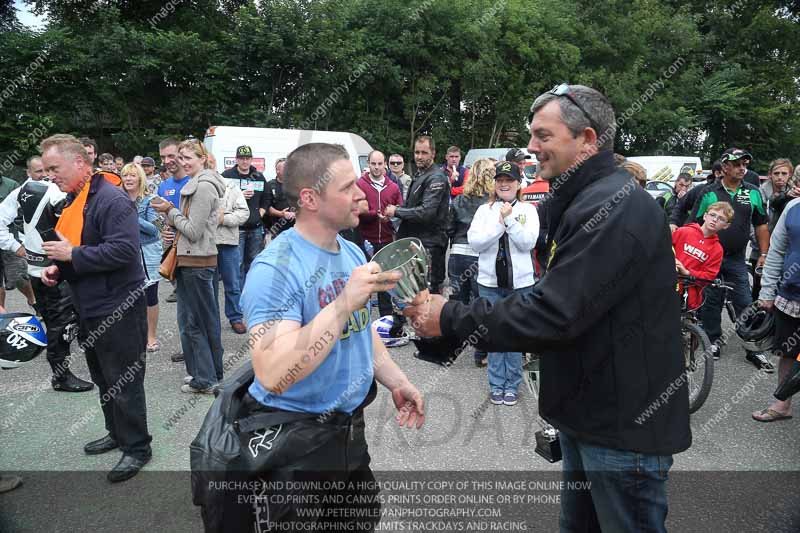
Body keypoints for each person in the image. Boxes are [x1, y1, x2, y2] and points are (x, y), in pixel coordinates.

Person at [405, 84, 690, 532]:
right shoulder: (585, 197)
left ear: (588, 139)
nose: (531, 147)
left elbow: (555, 312)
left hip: (621, 428)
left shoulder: (615, 207)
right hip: (590, 415)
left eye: (543, 135)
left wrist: (449, 316)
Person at [236, 142, 424, 530]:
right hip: (293, 442)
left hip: (348, 434)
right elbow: (273, 371)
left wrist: (397, 380)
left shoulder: (353, 254)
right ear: (309, 198)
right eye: (347, 187)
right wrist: (340, 304)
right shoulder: (275, 267)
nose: (361, 194)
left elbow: (361, 333)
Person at [39, 134, 151, 482]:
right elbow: (83, 247)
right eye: (46, 170)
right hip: (89, 305)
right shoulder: (78, 200)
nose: (50, 176)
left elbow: (124, 252)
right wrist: (59, 268)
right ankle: (117, 433)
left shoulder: (112, 199)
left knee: (123, 378)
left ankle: (137, 447)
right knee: (103, 376)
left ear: (80, 164)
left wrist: (72, 255)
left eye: (55, 168)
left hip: (117, 305)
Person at [0, 156, 94, 392]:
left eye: (49, 170)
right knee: (60, 323)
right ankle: (61, 376)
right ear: (29, 172)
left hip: (49, 268)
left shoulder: (25, 190)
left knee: (64, 319)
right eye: (40, 170)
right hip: (53, 270)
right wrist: (16, 246)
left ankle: (80, 358)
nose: (46, 174)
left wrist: (18, 247)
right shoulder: (47, 191)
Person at [688, 148, 773, 371]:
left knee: (744, 301)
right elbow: (695, 224)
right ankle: (713, 341)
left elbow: (761, 225)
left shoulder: (753, 191)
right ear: (724, 167)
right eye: (736, 164)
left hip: (736, 258)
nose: (742, 167)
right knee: (711, 301)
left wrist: (764, 254)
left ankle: (753, 347)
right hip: (710, 257)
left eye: (744, 163)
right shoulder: (708, 191)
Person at [152, 139, 225, 394]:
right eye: (180, 158)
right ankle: (209, 373)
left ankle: (204, 379)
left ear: (202, 159)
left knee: (196, 323)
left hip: (196, 261)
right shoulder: (202, 183)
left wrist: (170, 211)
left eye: (188, 158)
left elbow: (193, 231)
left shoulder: (203, 187)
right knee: (205, 320)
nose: (182, 162)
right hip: (195, 261)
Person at [468, 161, 539, 405]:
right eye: (500, 180)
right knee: (494, 334)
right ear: (494, 184)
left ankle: (513, 385)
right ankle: (497, 384)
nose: (504, 184)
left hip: (520, 285)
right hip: (489, 284)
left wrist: (509, 221)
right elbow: (475, 242)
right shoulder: (484, 211)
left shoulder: (528, 211)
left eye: (509, 180)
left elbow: (528, 242)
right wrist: (500, 223)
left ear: (519, 184)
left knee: (514, 334)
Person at [384, 136, 450, 294]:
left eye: (424, 152)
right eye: (416, 152)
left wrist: (397, 211)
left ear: (433, 153)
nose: (419, 156)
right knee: (413, 293)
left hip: (430, 245)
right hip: (417, 243)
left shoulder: (436, 177)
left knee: (427, 296)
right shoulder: (421, 174)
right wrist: (396, 212)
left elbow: (427, 212)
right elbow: (413, 207)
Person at [756, 194, 800, 421]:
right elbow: (776, 251)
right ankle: (783, 405)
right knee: (788, 351)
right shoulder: (793, 207)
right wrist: (767, 291)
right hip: (791, 295)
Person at [447, 157, 493, 367]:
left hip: (457, 253)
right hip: (479, 256)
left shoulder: (459, 200)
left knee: (458, 304)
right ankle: (480, 353)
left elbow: (448, 228)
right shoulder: (491, 203)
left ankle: (453, 348)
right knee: (480, 304)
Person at [356, 150, 404, 333]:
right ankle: (360, 321)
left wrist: (390, 218)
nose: (376, 168)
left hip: (385, 238)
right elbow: (355, 209)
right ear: (368, 164)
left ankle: (386, 321)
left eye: (379, 164)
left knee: (384, 282)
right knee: (364, 281)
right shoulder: (360, 184)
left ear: (385, 164)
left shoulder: (393, 186)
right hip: (364, 239)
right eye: (373, 164)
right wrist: (371, 214)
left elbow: (400, 210)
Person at [120, 163, 162, 353]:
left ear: (140, 178)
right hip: (124, 252)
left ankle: (151, 336)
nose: (128, 179)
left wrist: (132, 215)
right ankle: (132, 335)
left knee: (149, 295)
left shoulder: (150, 199)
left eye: (132, 175)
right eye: (125, 175)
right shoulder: (117, 198)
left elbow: (155, 230)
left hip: (147, 252)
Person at [221, 145, 271, 285]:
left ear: (251, 159)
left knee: (254, 263)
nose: (244, 161)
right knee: (237, 265)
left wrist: (260, 213)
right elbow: (219, 199)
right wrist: (238, 196)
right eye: (241, 158)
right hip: (236, 229)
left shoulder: (259, 176)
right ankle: (238, 299)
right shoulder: (227, 176)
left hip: (255, 228)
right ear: (236, 159)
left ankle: (250, 295)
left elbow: (267, 198)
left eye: (247, 158)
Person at [672, 201, 731, 309]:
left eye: (721, 219)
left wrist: (688, 272)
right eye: (712, 215)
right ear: (705, 216)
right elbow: (663, 250)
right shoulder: (684, 231)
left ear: (726, 226)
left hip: (687, 294)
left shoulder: (717, 250)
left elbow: (709, 276)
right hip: (667, 284)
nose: (715, 220)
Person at [214, 158, 250, 334]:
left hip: (228, 243)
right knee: (208, 286)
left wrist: (224, 218)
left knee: (232, 283)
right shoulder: (196, 185)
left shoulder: (231, 187)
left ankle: (235, 317)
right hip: (205, 244)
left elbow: (244, 213)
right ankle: (211, 320)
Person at [157, 138, 189, 310]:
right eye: (163, 157)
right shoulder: (163, 186)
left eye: (171, 156)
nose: (167, 161)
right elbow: (156, 215)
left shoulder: (195, 181)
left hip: (193, 243)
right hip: (171, 241)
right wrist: (163, 230)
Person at [670, 160, 722, 231]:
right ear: (717, 173)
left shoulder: (741, 191)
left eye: (687, 186)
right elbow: (680, 206)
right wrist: (673, 222)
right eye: (681, 185)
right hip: (698, 236)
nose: (684, 188)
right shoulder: (702, 189)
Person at [266, 157, 295, 242]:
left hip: (296, 230)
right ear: (277, 170)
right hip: (277, 230)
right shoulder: (270, 185)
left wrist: (298, 214)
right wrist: (281, 214)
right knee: (280, 254)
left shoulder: (297, 184)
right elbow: (267, 207)